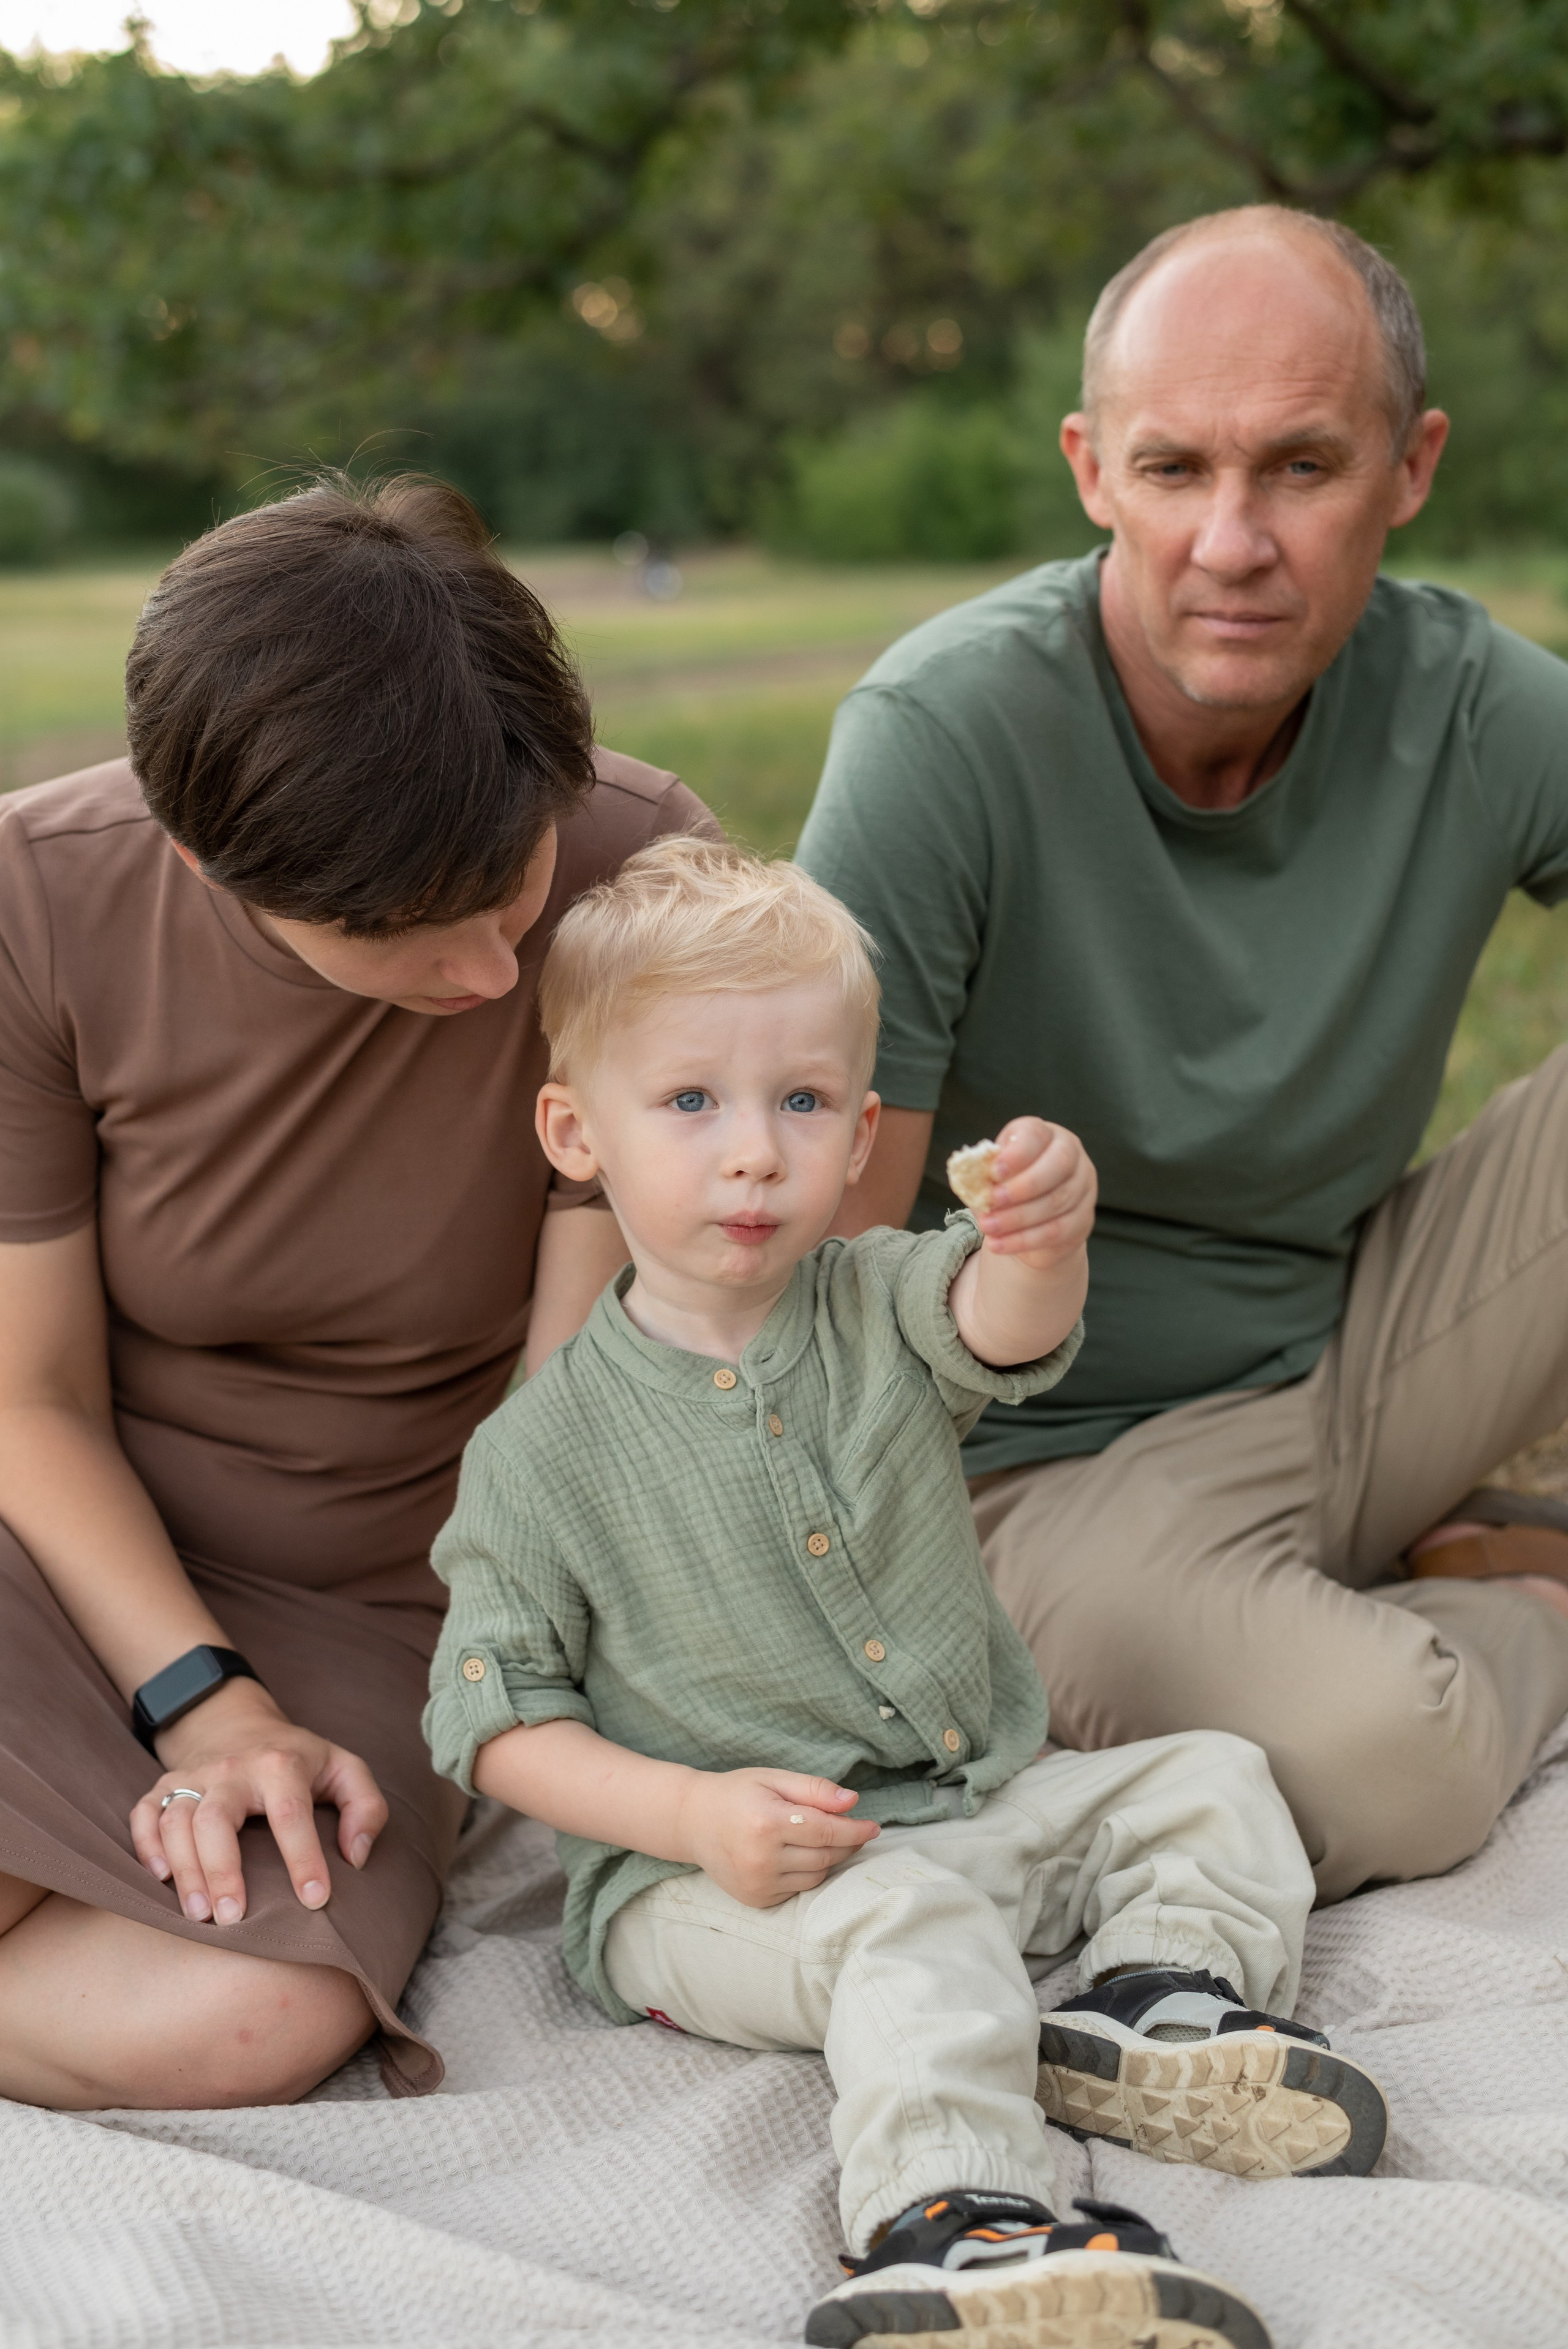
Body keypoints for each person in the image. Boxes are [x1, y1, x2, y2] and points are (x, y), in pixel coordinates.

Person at [424, 839, 1385, 2349]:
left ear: (862, 1130)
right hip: (710, 1888)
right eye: (690, 1101)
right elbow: (493, 1721)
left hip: (957, 1803)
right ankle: (952, 2220)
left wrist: (1038, 1241)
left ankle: (1150, 2008)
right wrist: (688, 1817)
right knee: (906, 1926)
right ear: (575, 1132)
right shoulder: (541, 1452)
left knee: (1207, 1777)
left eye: (802, 1103)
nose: (754, 1152)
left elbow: (997, 1324)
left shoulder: (876, 1294)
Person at [794, 204, 1568, 1904]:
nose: (1232, 542)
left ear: (1411, 467)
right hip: (1039, 1461)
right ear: (1090, 470)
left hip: (1354, 1355)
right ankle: (1519, 1604)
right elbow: (818, 1275)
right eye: (1173, 469)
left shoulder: (1469, 703)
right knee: (1393, 1754)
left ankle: (1379, 1555)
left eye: (1301, 466)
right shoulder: (943, 738)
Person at [0, 474, 715, 2110]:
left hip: (383, 1594)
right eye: (401, 929)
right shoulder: (35, 900)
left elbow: (566, 1420)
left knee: (253, 2018)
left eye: (512, 883)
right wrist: (196, 1699)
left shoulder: (645, 871)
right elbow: (27, 1399)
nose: (491, 974)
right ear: (204, 858)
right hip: (52, 1530)